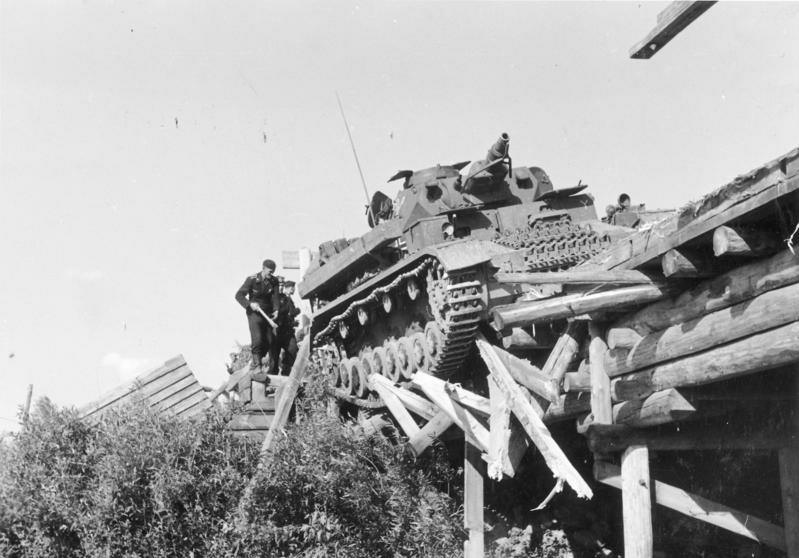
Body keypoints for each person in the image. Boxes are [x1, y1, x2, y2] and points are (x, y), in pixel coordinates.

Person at [235, 259, 281, 375]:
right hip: (254, 313)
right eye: (270, 272)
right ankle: (257, 366)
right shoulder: (252, 279)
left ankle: (257, 361)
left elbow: (275, 297)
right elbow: (239, 295)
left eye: (273, 272)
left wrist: (276, 310)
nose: (271, 275)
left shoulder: (274, 281)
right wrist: (249, 304)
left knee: (269, 341)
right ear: (263, 268)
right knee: (258, 339)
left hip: (267, 314)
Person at [275, 279, 301, 374]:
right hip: (279, 330)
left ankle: (286, 372)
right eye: (291, 288)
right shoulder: (280, 298)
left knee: (292, 350)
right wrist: (297, 311)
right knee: (274, 355)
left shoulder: (289, 299)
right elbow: (289, 313)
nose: (293, 289)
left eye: (293, 288)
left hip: (288, 330)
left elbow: (290, 314)